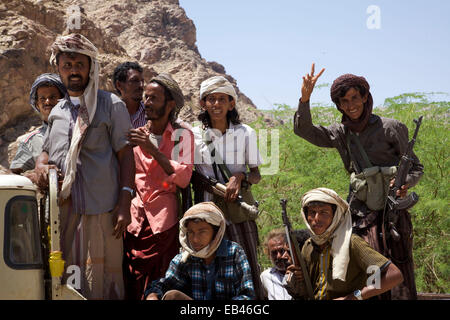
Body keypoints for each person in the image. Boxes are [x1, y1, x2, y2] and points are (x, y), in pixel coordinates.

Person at [293, 63, 423, 299]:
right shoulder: (341, 133)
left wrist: (405, 185)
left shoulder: (391, 128)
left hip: (393, 214)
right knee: (371, 270)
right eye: (344, 101)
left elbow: (416, 167)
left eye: (355, 98)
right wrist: (305, 98)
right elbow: (305, 130)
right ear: (339, 105)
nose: (351, 105)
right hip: (362, 215)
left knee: (399, 269)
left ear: (365, 97)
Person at [35, 33, 135, 300]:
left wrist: (125, 202)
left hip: (102, 211)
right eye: (67, 65)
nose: (74, 71)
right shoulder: (57, 111)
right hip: (64, 213)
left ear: (91, 67)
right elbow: (46, 151)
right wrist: (42, 167)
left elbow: (126, 154)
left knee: (100, 283)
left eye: (79, 64)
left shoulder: (111, 104)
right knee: (64, 280)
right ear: (58, 68)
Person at [191, 75, 264, 299]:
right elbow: (190, 176)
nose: (216, 104)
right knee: (211, 269)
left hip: (238, 210)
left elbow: (257, 175)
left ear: (231, 103)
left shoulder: (245, 133)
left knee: (248, 265)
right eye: (211, 99)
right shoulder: (193, 135)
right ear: (203, 103)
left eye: (222, 99)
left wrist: (239, 177)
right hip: (207, 210)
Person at [124, 73, 194, 300]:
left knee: (161, 285)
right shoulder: (138, 133)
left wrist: (152, 150)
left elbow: (183, 178)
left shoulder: (182, 135)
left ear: (170, 103)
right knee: (132, 283)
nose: (147, 103)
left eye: (153, 98)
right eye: (146, 97)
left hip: (164, 222)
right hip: (135, 221)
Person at [285, 188, 403, 300]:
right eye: (312, 212)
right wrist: (298, 278)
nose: (316, 218)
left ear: (335, 215)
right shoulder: (308, 246)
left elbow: (393, 275)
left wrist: (356, 296)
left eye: (323, 212)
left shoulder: (351, 243)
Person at [144, 202, 255, 300]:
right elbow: (164, 284)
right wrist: (153, 295)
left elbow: (247, 295)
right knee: (172, 296)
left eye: (202, 232)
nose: (195, 239)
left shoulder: (234, 252)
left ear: (216, 232)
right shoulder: (184, 258)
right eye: (191, 232)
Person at [10, 73, 67, 182]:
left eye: (53, 97)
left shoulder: (77, 131)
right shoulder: (30, 142)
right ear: (37, 104)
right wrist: (36, 177)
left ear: (63, 100)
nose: (47, 102)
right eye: (42, 99)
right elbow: (13, 177)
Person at [260, 228, 310, 300]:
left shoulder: (306, 272)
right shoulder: (266, 277)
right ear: (268, 254)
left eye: (282, 251)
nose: (279, 256)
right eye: (274, 253)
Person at [113, 61, 146, 128]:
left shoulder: (151, 113)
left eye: (142, 81)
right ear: (119, 85)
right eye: (135, 80)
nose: (141, 85)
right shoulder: (110, 114)